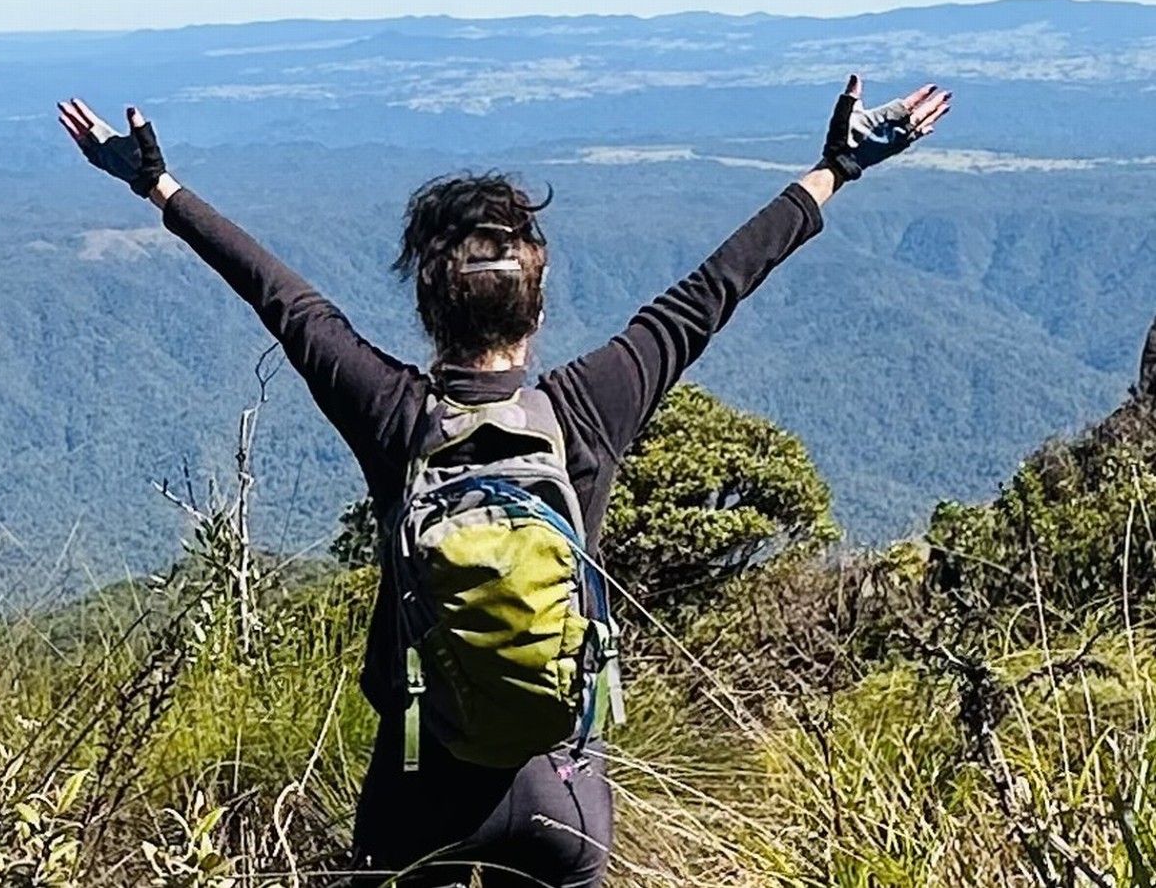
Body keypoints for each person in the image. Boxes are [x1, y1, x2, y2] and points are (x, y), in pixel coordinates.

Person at [55, 74, 952, 887]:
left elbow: (282, 299)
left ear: (426, 308)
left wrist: (157, 185)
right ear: (540, 304)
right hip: (561, 785)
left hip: (420, 780)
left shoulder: (393, 415)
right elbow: (714, 287)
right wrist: (837, 168)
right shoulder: (593, 406)